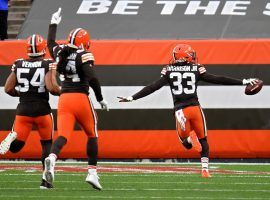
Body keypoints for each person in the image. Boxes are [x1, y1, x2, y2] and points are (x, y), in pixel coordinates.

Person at [118, 44, 259, 178]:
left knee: (186, 144)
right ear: (185, 57)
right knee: (203, 139)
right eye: (190, 54)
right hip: (195, 107)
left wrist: (132, 97)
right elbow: (218, 79)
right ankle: (205, 170)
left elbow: (152, 87)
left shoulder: (168, 70)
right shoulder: (196, 68)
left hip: (180, 109)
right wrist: (243, 81)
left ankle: (187, 136)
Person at [44, 8, 108, 190]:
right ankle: (92, 173)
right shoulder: (83, 54)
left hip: (64, 100)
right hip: (80, 98)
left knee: (63, 135)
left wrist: (53, 22)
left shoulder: (59, 52)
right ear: (83, 43)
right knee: (92, 134)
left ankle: (52, 159)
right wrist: (100, 98)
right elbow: (93, 78)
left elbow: (50, 42)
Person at [0, 34, 59, 188]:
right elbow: (52, 88)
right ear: (43, 48)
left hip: (24, 110)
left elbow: (8, 88)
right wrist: (64, 91)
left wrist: (23, 93)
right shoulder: (47, 64)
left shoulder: (19, 63)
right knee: (47, 144)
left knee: (15, 148)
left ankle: (12, 137)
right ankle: (45, 182)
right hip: (42, 110)